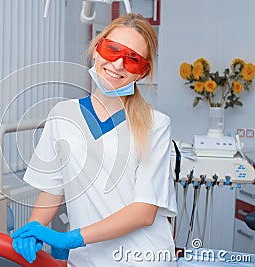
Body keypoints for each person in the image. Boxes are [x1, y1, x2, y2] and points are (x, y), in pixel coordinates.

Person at [12, 13, 177, 267]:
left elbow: (144, 212)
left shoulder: (156, 125)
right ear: (97, 50)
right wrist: (33, 229)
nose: (119, 64)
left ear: (143, 72)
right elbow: (51, 191)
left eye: (133, 59)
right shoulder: (62, 114)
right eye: (113, 50)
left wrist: (71, 239)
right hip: (86, 260)